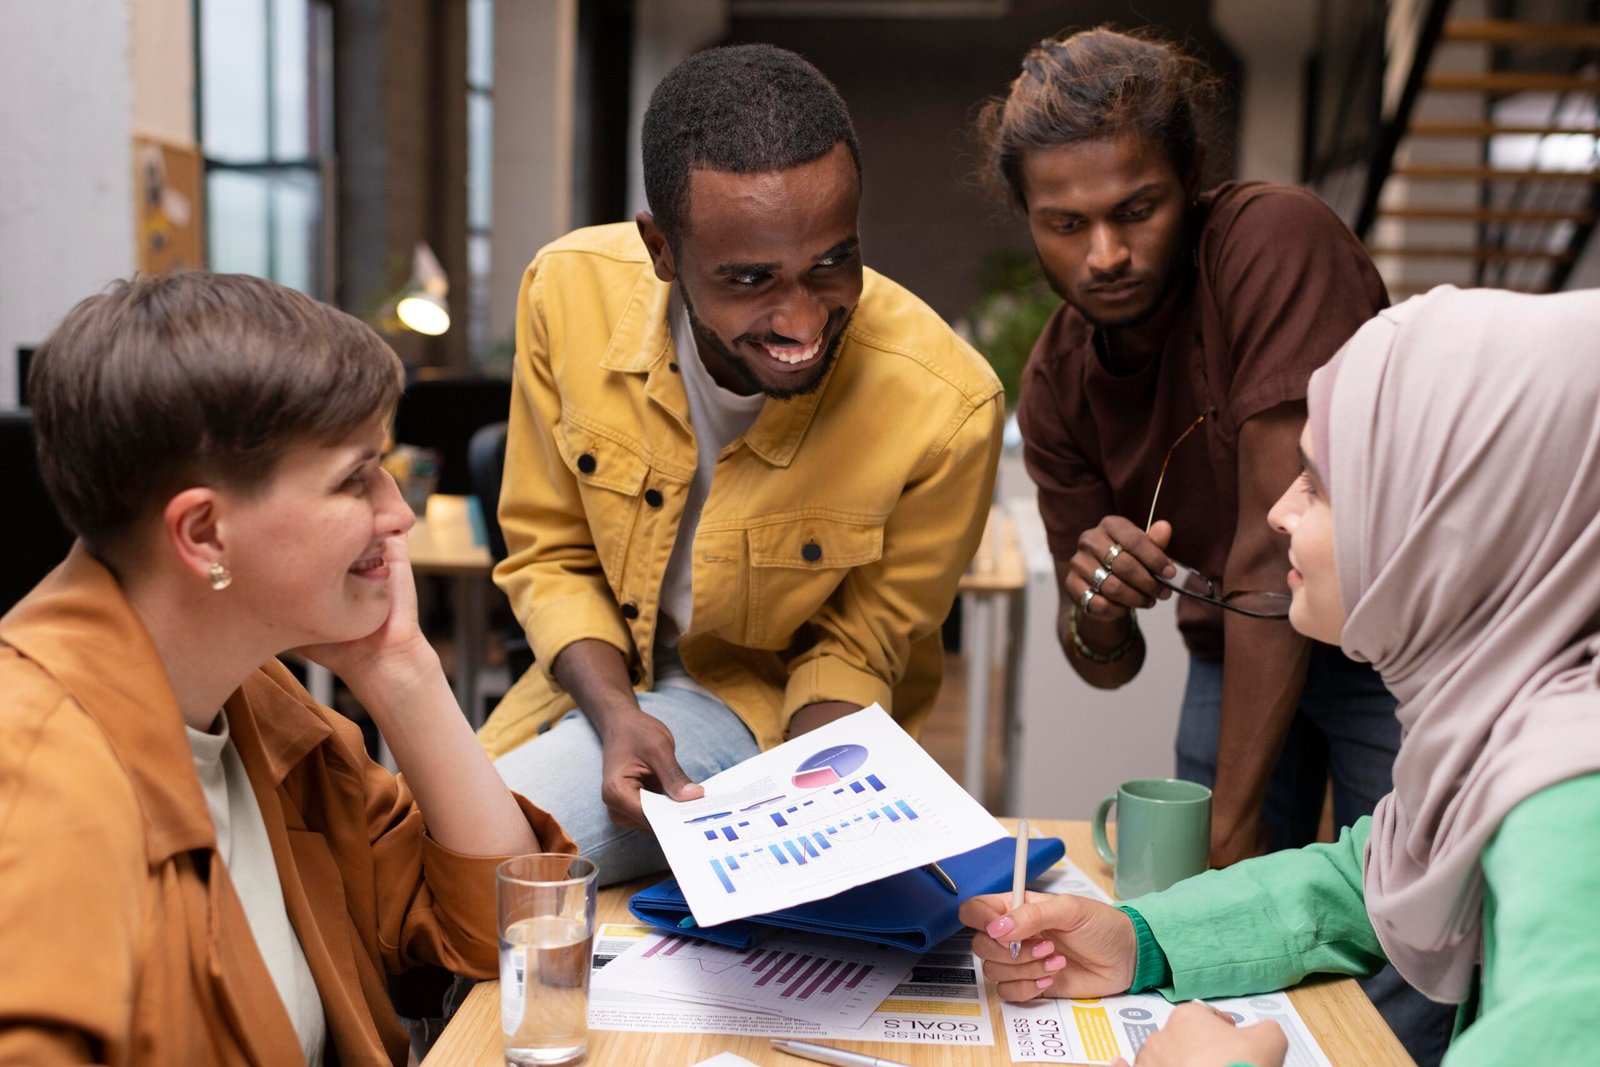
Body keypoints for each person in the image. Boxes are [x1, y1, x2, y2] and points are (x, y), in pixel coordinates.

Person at [960, 285, 1600, 1066]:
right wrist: (1140, 938)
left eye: (1322, 484)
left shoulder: (1574, 807)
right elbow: (1360, 877)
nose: (1279, 513)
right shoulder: (1509, 732)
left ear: (1457, 515)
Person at [0, 272, 572, 1064]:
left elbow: (499, 930)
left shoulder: (245, 692)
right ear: (204, 532)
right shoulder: (38, 777)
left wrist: (401, 669)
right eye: (355, 477)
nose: (397, 511)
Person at [481, 43, 1003, 887]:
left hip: (763, 707)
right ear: (661, 249)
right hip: (599, 677)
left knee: (487, 858)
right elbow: (550, 553)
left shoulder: (946, 406)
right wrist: (617, 713)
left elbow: (859, 648)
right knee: (413, 839)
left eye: (832, 261)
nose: (801, 318)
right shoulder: (565, 293)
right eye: (752, 279)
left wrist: (807, 810)